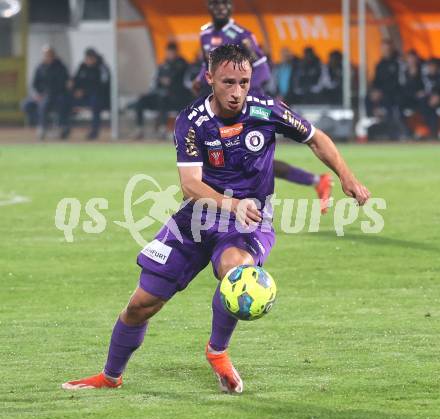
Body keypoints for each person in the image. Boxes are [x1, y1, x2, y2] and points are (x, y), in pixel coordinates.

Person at [61, 44, 370, 394]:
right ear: (209, 78)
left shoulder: (267, 110)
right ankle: (110, 376)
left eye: (244, 82)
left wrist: (345, 175)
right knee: (141, 305)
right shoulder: (192, 121)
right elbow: (190, 184)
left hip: (249, 219)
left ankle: (217, 351)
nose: (237, 92)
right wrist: (230, 203)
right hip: (197, 216)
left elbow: (316, 138)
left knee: (236, 273)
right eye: (227, 82)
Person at [193, 0, 333, 214]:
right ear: (209, 6)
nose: (221, 8)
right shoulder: (205, 34)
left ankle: (234, 208)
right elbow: (207, 64)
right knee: (243, 159)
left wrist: (241, 94)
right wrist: (198, 78)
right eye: (216, 4)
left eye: (225, 4)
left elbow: (262, 69)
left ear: (231, 7)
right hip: (222, 107)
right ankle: (315, 180)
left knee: (246, 157)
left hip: (247, 108)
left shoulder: (242, 34)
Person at [131, 42, 191, 139]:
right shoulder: (162, 65)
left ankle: (162, 129)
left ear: (176, 52)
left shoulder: (183, 65)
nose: (169, 54)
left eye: (171, 52)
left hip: (177, 98)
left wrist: (168, 82)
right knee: (141, 101)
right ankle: (139, 129)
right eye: (168, 52)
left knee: (163, 98)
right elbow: (156, 82)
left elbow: (181, 83)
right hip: (159, 95)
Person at [22, 45, 70, 140]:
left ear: (53, 55)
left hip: (56, 95)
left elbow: (63, 83)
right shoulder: (40, 67)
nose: (47, 57)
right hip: (42, 95)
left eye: (49, 54)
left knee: (44, 104)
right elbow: (35, 83)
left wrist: (46, 94)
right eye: (45, 55)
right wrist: (38, 94)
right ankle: (45, 124)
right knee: (26, 105)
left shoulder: (60, 67)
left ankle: (44, 128)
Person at [68, 48, 111, 140]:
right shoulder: (82, 66)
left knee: (95, 102)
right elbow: (76, 80)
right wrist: (75, 89)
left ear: (94, 58)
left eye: (90, 58)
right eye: (87, 58)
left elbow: (103, 86)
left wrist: (84, 91)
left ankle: (94, 132)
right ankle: (65, 128)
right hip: (83, 96)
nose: (88, 60)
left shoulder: (102, 68)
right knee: (64, 100)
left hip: (100, 97)